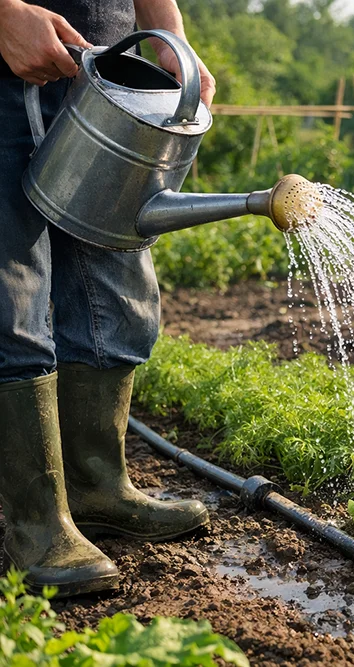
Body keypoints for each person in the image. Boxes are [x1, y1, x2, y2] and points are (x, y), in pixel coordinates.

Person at [0, 0, 216, 597]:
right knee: (11, 292)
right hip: (7, 55)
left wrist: (170, 35)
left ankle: (96, 485)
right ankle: (34, 522)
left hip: (110, 65)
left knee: (117, 293)